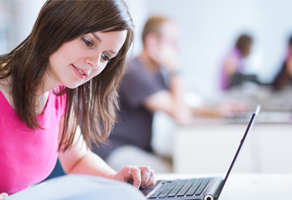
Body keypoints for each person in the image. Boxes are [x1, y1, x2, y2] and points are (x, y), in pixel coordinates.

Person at [0, 0, 156, 199]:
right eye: (88, 42)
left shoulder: (59, 91)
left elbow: (77, 159)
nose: (94, 63)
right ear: (56, 24)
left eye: (105, 57)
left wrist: (114, 179)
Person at [92, 16, 246, 173]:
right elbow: (182, 116)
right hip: (113, 150)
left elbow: (177, 105)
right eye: (173, 43)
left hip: (136, 148)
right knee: (177, 173)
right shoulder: (133, 72)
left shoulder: (154, 73)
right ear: (152, 43)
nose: (177, 50)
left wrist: (216, 111)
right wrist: (175, 69)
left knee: (184, 164)